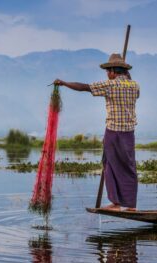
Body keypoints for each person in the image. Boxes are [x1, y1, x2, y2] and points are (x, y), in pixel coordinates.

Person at [53, 53, 140, 211]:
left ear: (114, 71)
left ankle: (116, 203)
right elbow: (133, 90)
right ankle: (132, 205)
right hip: (129, 133)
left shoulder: (110, 85)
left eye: (108, 71)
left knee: (109, 164)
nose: (107, 74)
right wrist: (127, 76)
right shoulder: (135, 86)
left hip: (113, 131)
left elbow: (85, 87)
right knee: (129, 166)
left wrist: (64, 83)